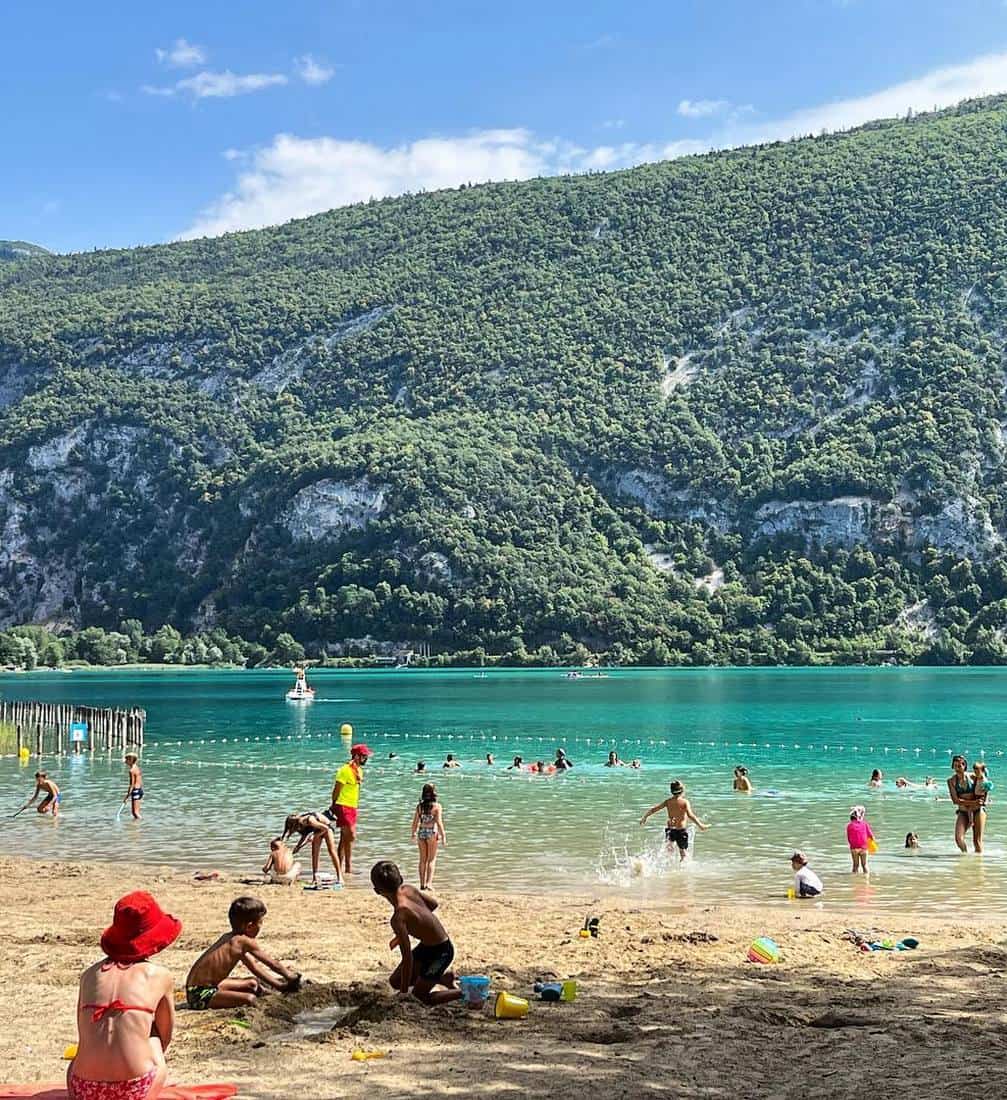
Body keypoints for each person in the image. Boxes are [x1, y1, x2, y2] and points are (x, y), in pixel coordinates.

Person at [67, 891, 180, 1099]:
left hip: (83, 1088)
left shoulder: (89, 975)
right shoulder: (159, 975)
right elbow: (166, 1034)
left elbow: (82, 1031)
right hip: (135, 1088)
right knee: (153, 1033)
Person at [370, 860, 462, 1006]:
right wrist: (417, 925)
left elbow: (407, 958)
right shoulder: (409, 889)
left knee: (419, 998)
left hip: (442, 953)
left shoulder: (398, 918)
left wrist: (405, 993)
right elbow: (433, 905)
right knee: (395, 981)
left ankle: (465, 993)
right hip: (427, 947)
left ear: (376, 890)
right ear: (400, 880)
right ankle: (443, 978)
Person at [185, 896, 300, 1011]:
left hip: (201, 988)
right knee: (249, 999)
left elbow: (254, 968)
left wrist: (280, 986)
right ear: (250, 926)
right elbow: (273, 964)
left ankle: (274, 996)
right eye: (260, 922)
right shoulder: (244, 941)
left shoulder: (231, 939)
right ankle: (271, 1009)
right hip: (199, 995)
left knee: (252, 983)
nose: (261, 926)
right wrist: (290, 976)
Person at [324, 743, 372, 875]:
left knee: (345, 838)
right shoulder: (344, 770)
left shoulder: (359, 771)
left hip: (352, 806)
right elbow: (336, 789)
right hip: (342, 805)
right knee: (351, 836)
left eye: (366, 756)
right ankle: (348, 868)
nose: (366, 759)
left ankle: (341, 867)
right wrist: (333, 805)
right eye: (363, 756)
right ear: (356, 756)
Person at [639, 779, 710, 861]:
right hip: (681, 830)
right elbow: (690, 815)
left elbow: (654, 809)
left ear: (671, 791)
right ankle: (681, 868)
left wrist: (645, 817)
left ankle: (667, 865)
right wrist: (700, 825)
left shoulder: (668, 802)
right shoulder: (685, 802)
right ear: (682, 791)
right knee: (682, 853)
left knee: (669, 850)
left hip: (670, 829)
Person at [281, 812, 342, 885]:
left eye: (292, 828)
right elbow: (304, 836)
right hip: (316, 830)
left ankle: (340, 877)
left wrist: (314, 836)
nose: (293, 830)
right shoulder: (300, 825)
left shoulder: (309, 820)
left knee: (331, 851)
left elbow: (325, 828)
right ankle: (315, 878)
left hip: (326, 827)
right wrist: (298, 847)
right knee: (314, 854)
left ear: (295, 824)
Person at [411, 783, 446, 890]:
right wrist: (443, 835)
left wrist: (413, 833)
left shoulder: (419, 807)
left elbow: (415, 822)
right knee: (431, 859)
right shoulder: (437, 806)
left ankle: (422, 884)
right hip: (431, 832)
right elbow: (439, 822)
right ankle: (429, 883)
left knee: (422, 860)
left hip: (421, 832)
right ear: (434, 793)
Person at [948, 754, 981, 853]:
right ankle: (965, 856)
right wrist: (973, 802)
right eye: (955, 766)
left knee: (977, 841)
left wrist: (982, 800)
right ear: (952, 766)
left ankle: (979, 864)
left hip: (977, 810)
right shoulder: (951, 781)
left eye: (960, 765)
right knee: (958, 838)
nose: (958, 768)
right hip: (962, 811)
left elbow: (984, 786)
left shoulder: (973, 777)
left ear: (964, 765)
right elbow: (955, 800)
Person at [846, 805, 875, 873]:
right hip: (863, 848)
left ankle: (854, 880)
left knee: (855, 865)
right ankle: (866, 880)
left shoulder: (849, 825)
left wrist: (853, 847)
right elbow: (871, 836)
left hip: (854, 848)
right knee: (864, 865)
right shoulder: (864, 824)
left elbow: (849, 838)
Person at [123, 753, 144, 819]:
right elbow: (140, 780)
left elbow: (131, 784)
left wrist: (127, 796)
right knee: (135, 812)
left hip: (135, 791)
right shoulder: (137, 768)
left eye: (126, 760)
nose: (125, 761)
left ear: (131, 760)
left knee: (135, 813)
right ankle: (136, 826)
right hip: (140, 790)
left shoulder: (131, 771)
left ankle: (140, 826)